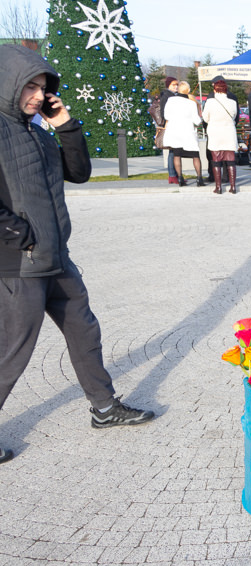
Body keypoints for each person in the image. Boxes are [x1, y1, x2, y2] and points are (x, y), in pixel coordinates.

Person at [0, 45, 156, 464]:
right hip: (19, 264)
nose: (36, 94)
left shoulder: (36, 129)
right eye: (29, 86)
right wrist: (19, 234)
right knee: (12, 351)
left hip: (56, 257)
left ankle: (105, 409)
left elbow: (80, 172)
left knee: (84, 331)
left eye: (42, 87)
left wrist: (65, 126)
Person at [163, 81, 204, 187]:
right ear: (188, 90)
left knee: (177, 155)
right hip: (187, 132)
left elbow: (166, 115)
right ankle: (199, 178)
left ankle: (180, 178)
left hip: (175, 132)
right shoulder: (191, 103)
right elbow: (196, 120)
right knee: (195, 156)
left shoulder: (170, 100)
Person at [202, 80, 239, 194]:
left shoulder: (210, 102)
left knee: (216, 160)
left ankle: (218, 187)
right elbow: (234, 116)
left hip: (215, 133)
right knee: (230, 161)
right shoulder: (232, 102)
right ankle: (232, 187)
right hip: (229, 133)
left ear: (215, 89)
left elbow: (205, 118)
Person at [159, 76, 180, 184]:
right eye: (173, 85)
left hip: (175, 125)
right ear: (168, 85)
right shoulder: (167, 96)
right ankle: (172, 175)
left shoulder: (173, 95)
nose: (176, 87)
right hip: (171, 126)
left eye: (177, 84)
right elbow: (163, 113)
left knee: (175, 151)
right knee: (173, 151)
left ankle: (175, 174)